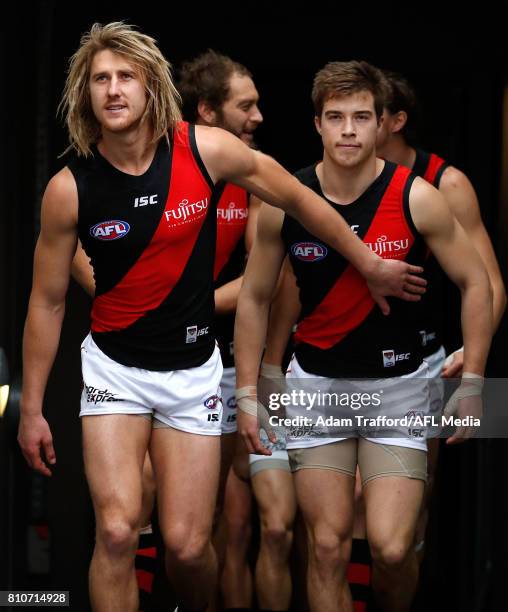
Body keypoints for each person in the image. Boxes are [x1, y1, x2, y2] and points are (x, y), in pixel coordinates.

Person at [17, 20, 426, 612]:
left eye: (125, 76)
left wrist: (367, 262)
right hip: (114, 369)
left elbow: (300, 197)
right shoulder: (69, 188)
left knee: (186, 547)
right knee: (116, 530)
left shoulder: (205, 149)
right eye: (99, 79)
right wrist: (31, 408)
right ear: (84, 94)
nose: (112, 90)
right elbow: (47, 301)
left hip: (192, 372)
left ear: (150, 85)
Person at [234, 60, 492, 612]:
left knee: (393, 549)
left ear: (382, 125)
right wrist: (252, 394)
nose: (348, 130)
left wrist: (474, 383)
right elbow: (256, 299)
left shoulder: (419, 196)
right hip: (318, 389)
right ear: (317, 125)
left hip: (401, 390)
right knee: (325, 547)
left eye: (360, 117)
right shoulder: (289, 201)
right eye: (335, 117)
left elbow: (478, 283)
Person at [376, 69, 506, 552]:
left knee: (403, 521)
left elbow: (490, 283)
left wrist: (471, 360)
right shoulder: (338, 174)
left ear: (393, 121)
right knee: (331, 522)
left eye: (367, 114)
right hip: (337, 359)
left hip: (422, 361)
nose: (352, 128)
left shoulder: (444, 183)